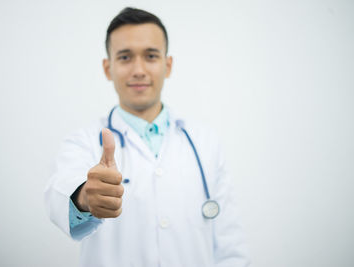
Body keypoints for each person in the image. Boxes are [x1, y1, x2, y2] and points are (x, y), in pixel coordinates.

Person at [44, 7, 250, 267]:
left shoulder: (205, 142)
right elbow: (59, 192)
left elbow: (230, 246)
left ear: (168, 65)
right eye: (125, 57)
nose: (138, 70)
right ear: (108, 68)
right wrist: (85, 198)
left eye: (151, 56)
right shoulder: (83, 142)